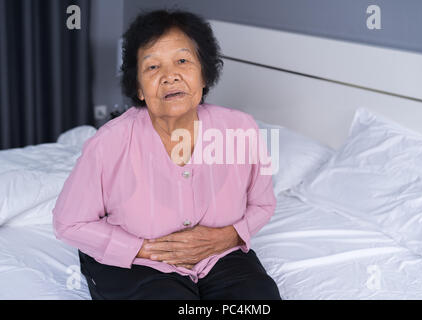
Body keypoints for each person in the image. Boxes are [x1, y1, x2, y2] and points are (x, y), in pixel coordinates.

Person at [52, 9, 281, 300]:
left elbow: (262, 204)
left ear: (204, 74)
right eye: (152, 68)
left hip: (220, 254)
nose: (169, 76)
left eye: (183, 61)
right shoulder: (109, 142)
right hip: (136, 262)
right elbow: (68, 222)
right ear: (139, 88)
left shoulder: (241, 129)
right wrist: (142, 248)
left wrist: (228, 236)